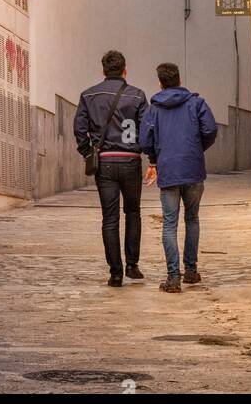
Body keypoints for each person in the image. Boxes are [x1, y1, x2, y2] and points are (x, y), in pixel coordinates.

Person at [139, 62, 218, 293]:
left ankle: (173, 277)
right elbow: (210, 130)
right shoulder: (196, 103)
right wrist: (196, 148)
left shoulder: (154, 109)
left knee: (170, 224)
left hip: (169, 171)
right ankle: (191, 271)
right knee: (192, 219)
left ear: (160, 83)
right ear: (180, 80)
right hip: (193, 170)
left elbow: (145, 140)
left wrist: (154, 158)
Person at [74, 50, 147, 287]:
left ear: (103, 71)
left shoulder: (89, 95)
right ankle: (132, 265)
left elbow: (79, 129)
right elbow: (147, 129)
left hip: (104, 162)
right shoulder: (137, 96)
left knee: (110, 217)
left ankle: (115, 272)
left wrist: (88, 152)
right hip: (131, 161)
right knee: (133, 212)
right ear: (125, 70)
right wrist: (145, 151)